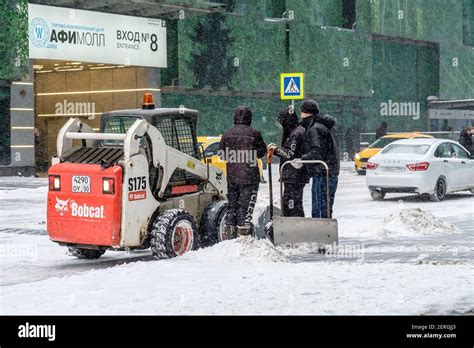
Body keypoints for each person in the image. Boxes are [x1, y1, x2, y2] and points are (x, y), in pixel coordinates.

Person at [219, 106, 267, 238]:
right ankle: (243, 235)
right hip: (250, 177)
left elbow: (221, 155)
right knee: (245, 207)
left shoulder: (227, 133)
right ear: (249, 118)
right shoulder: (255, 133)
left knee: (232, 205)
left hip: (232, 176)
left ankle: (230, 235)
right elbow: (262, 152)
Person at [298, 100, 340, 219]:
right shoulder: (326, 125)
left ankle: (320, 232)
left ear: (307, 113)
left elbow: (317, 152)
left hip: (322, 171)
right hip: (330, 170)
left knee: (319, 205)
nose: (300, 115)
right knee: (326, 204)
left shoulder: (315, 128)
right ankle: (326, 231)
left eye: (302, 112)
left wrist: (302, 159)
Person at [267, 107, 306, 217]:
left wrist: (276, 150)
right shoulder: (295, 131)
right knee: (293, 202)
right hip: (294, 174)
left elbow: (290, 154)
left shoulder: (295, 133)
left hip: (294, 174)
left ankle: (293, 225)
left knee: (291, 203)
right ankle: (295, 223)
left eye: (282, 122)